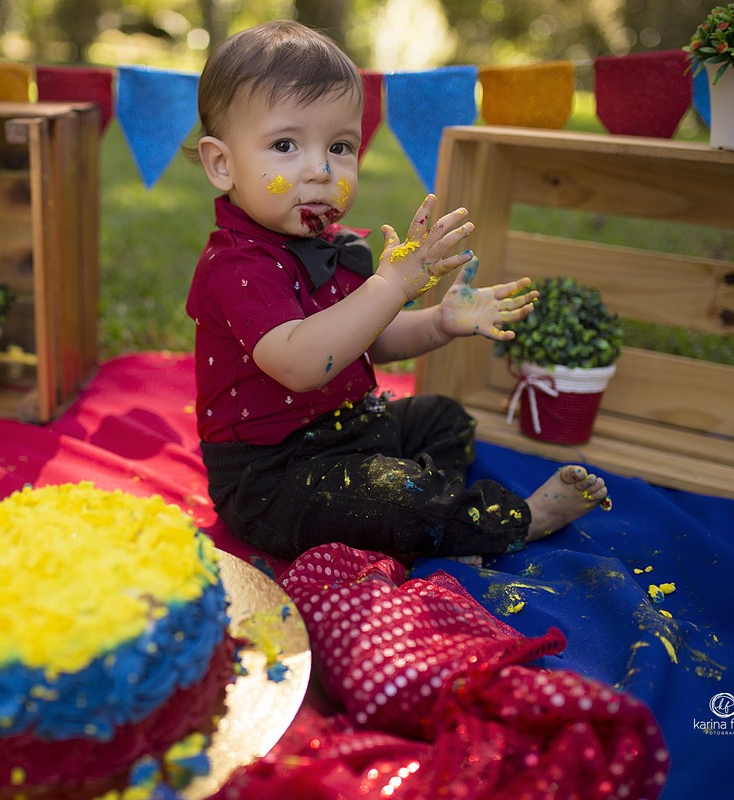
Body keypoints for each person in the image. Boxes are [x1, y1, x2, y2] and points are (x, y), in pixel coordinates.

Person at [185, 20, 609, 565]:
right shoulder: (236, 268)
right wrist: (388, 285)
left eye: (339, 147)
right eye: (286, 145)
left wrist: (438, 322)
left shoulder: (338, 246)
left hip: (355, 431)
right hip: (275, 478)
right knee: (392, 493)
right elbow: (303, 364)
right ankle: (516, 522)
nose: (320, 170)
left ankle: (431, 519)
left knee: (442, 417)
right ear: (223, 163)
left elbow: (366, 342)